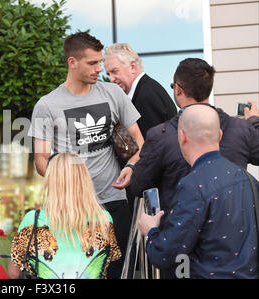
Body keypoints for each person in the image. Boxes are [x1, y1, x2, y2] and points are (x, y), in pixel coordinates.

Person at [28, 32, 144, 278]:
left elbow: (141, 143)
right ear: (72, 62)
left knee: (115, 273)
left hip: (113, 200)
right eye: (92, 63)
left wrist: (131, 166)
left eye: (100, 62)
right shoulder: (47, 105)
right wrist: (65, 179)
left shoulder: (112, 93)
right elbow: (40, 160)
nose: (98, 68)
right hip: (72, 208)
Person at [138, 104, 258, 279]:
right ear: (220, 136)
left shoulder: (193, 186)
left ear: (182, 137)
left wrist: (151, 230)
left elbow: (165, 254)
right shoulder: (248, 180)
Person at [130, 58, 259, 217]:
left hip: (180, 234)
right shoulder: (240, 128)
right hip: (232, 231)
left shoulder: (161, 135)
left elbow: (138, 185)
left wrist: (131, 166)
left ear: (177, 89)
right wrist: (254, 121)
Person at [7, 153, 121, 279]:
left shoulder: (33, 220)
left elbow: (14, 272)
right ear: (84, 180)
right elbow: (108, 261)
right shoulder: (103, 219)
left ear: (51, 181)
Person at [104, 43, 177, 138]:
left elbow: (152, 146)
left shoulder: (145, 97)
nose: (111, 79)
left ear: (133, 67)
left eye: (114, 71)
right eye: (108, 74)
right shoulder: (146, 90)